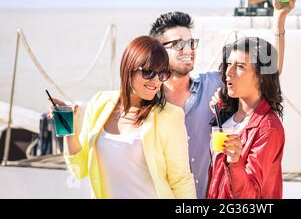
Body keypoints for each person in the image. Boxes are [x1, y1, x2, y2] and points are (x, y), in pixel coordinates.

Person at [149, 0, 297, 198]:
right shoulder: (148, 100)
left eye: (191, 42)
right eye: (178, 44)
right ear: (158, 49)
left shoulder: (214, 85)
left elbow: (265, 71)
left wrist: (279, 20)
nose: (188, 49)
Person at [47, 36, 196, 199]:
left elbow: (181, 180)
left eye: (162, 74)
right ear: (128, 68)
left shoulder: (170, 116)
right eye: (148, 72)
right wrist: (69, 125)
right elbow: (79, 168)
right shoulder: (99, 103)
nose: (155, 81)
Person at [207, 37, 285, 199]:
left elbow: (250, 196)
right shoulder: (226, 116)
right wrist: (219, 115)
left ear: (262, 76)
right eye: (229, 64)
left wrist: (235, 162)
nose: (229, 72)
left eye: (240, 66)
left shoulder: (268, 128)